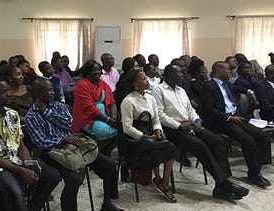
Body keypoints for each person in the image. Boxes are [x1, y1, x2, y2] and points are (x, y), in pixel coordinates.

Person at [25, 77, 126, 211]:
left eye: (52, 89)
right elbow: (40, 142)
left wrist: (47, 112)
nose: (53, 92)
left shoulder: (59, 106)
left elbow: (68, 124)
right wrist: (63, 139)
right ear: (37, 93)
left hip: (73, 146)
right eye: (48, 90)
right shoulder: (31, 116)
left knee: (109, 165)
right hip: (51, 152)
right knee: (73, 178)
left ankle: (107, 204)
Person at [151, 64, 250, 200]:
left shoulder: (180, 90)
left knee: (217, 141)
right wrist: (179, 127)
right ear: (168, 75)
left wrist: (197, 121)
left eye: (182, 73)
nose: (182, 76)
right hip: (172, 129)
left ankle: (221, 186)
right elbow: (160, 115)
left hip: (190, 124)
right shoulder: (158, 90)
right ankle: (225, 184)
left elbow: (191, 110)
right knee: (200, 146)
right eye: (179, 73)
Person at [0, 76, 60, 211]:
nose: (8, 94)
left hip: (16, 160)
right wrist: (22, 171)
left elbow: (20, 144)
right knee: (16, 192)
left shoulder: (12, 114)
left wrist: (28, 164)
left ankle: (31, 209)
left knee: (51, 176)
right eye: (3, 92)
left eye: (8, 90)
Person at [201, 61, 272, 188]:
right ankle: (254, 173)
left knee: (263, 137)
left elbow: (240, 88)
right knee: (248, 140)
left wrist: (250, 92)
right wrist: (229, 118)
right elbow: (208, 110)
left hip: (237, 118)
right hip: (222, 121)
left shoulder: (227, 84)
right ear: (218, 70)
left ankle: (257, 168)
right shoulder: (209, 86)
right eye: (227, 69)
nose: (231, 72)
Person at [120, 69, 177, 203]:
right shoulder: (128, 101)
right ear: (135, 84)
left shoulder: (150, 98)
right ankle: (162, 182)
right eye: (143, 79)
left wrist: (158, 130)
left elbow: (156, 120)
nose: (147, 81)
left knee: (169, 147)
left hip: (150, 134)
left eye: (147, 78)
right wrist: (147, 137)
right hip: (135, 139)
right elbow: (127, 128)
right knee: (167, 147)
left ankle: (162, 180)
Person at [72, 60, 118, 155]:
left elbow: (112, 102)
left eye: (99, 70)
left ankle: (105, 153)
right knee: (106, 132)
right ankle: (95, 155)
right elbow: (90, 109)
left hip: (106, 116)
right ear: (87, 73)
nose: (98, 72)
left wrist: (113, 117)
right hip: (88, 118)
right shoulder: (82, 86)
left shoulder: (103, 84)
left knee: (121, 129)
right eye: (94, 70)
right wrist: (108, 121)